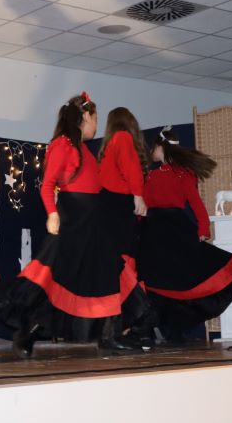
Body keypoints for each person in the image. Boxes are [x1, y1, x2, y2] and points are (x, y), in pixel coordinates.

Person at [9, 92, 145, 358]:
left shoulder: (84, 149)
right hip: (74, 219)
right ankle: (29, 331)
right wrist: (52, 214)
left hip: (94, 220)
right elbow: (47, 185)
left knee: (106, 273)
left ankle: (108, 336)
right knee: (61, 277)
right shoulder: (62, 145)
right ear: (85, 116)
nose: (97, 124)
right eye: (95, 118)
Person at [138, 126, 232, 341]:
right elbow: (143, 206)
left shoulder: (182, 173)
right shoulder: (151, 175)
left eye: (153, 147)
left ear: (160, 147)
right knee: (157, 280)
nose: (151, 152)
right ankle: (156, 326)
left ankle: (169, 328)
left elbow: (195, 202)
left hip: (171, 229)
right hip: (154, 231)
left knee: (177, 278)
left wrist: (203, 228)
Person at [97, 107, 154, 342]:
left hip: (109, 207)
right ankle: (132, 322)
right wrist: (138, 196)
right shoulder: (123, 138)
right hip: (119, 208)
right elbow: (131, 169)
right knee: (125, 263)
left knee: (118, 266)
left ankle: (121, 327)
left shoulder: (108, 145)